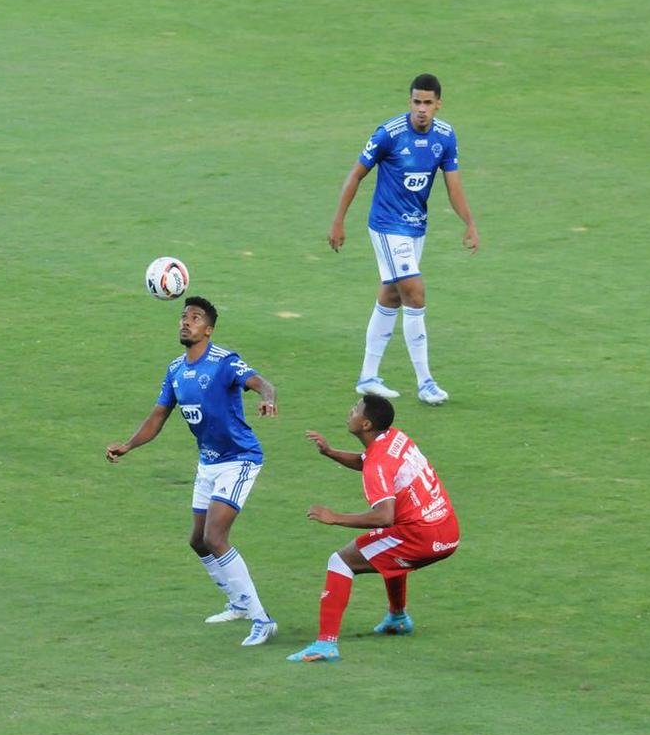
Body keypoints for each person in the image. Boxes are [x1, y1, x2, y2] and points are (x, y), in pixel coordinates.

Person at [106, 296, 279, 646]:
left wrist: (268, 398)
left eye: (195, 318)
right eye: (184, 317)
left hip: (239, 458)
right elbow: (158, 417)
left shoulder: (223, 362)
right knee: (197, 540)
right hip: (209, 462)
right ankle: (237, 602)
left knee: (216, 537)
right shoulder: (175, 370)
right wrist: (128, 445)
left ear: (209, 329)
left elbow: (262, 383)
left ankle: (262, 619)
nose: (186, 322)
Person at [328, 72, 479, 405]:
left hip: (415, 228)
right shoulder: (389, 134)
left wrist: (469, 222)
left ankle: (367, 377)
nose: (421, 109)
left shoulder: (445, 136)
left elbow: (453, 184)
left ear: (438, 104)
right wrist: (338, 221)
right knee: (415, 292)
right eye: (416, 102)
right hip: (386, 224)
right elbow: (355, 175)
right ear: (409, 101)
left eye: (427, 103)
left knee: (392, 297)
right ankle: (425, 382)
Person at [287, 394, 460, 662]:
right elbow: (366, 461)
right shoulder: (395, 438)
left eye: (356, 409)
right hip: (447, 529)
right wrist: (331, 453)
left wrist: (335, 517)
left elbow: (383, 517)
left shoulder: (378, 462)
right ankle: (397, 618)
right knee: (387, 547)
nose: (351, 411)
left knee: (341, 561)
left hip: (421, 536)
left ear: (366, 424)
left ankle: (325, 645)